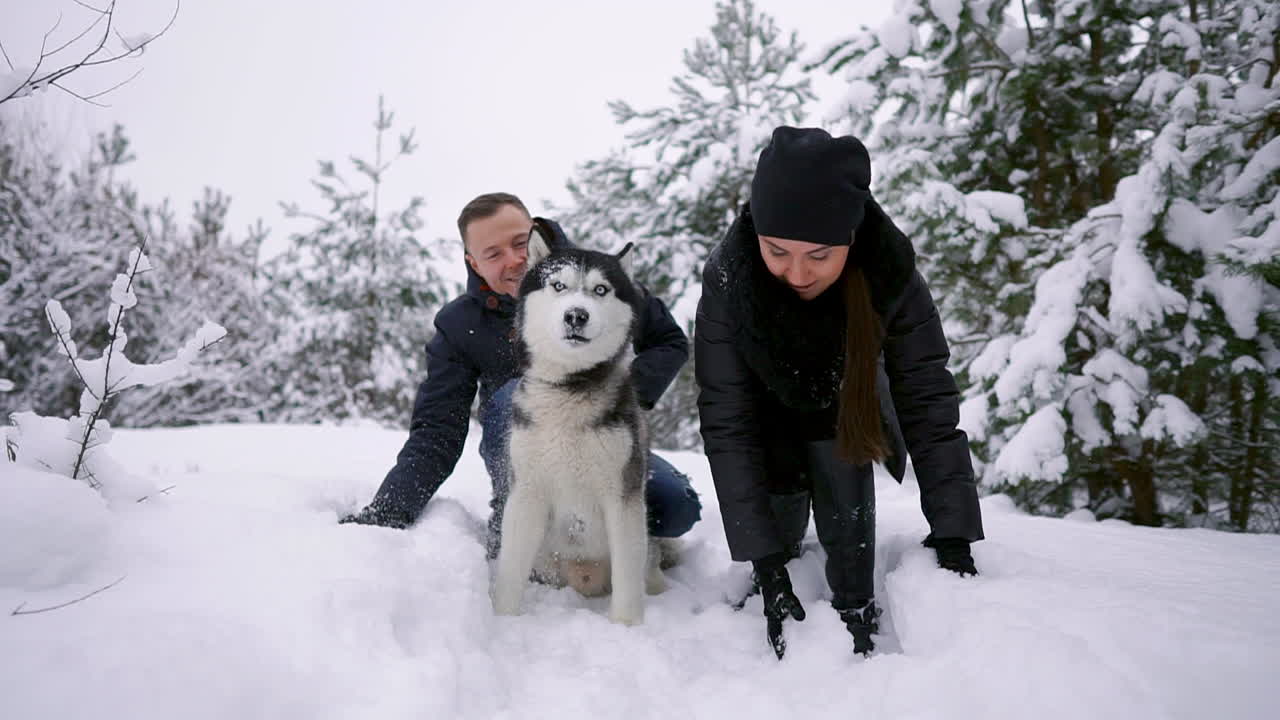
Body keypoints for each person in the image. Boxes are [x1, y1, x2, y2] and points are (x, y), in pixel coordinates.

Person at [695, 127, 984, 659]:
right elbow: (725, 415)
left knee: (844, 506)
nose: (797, 273)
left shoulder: (888, 273)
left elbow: (927, 399)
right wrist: (764, 561)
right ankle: (777, 562)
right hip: (767, 416)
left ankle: (855, 603)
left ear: (850, 239)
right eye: (777, 251)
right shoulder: (730, 277)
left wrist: (954, 530)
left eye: (820, 255)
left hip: (844, 410)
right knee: (776, 530)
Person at [343, 192, 702, 557]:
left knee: (676, 507)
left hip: (599, 438)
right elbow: (437, 432)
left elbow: (668, 341)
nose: (514, 261)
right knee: (524, 390)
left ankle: (604, 535)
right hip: (525, 447)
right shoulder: (460, 325)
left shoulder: (598, 282)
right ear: (474, 263)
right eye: (493, 254)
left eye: (519, 244)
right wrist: (388, 511)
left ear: (536, 240)